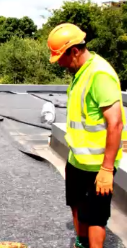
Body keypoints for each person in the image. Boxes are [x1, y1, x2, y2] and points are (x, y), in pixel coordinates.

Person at [47, 23, 127, 248]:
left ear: (74, 51)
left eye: (60, 57)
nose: (59, 63)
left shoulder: (100, 74)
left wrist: (107, 170)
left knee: (95, 218)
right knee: (77, 207)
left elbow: (116, 124)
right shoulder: (79, 72)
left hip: (98, 165)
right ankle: (81, 245)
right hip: (77, 160)